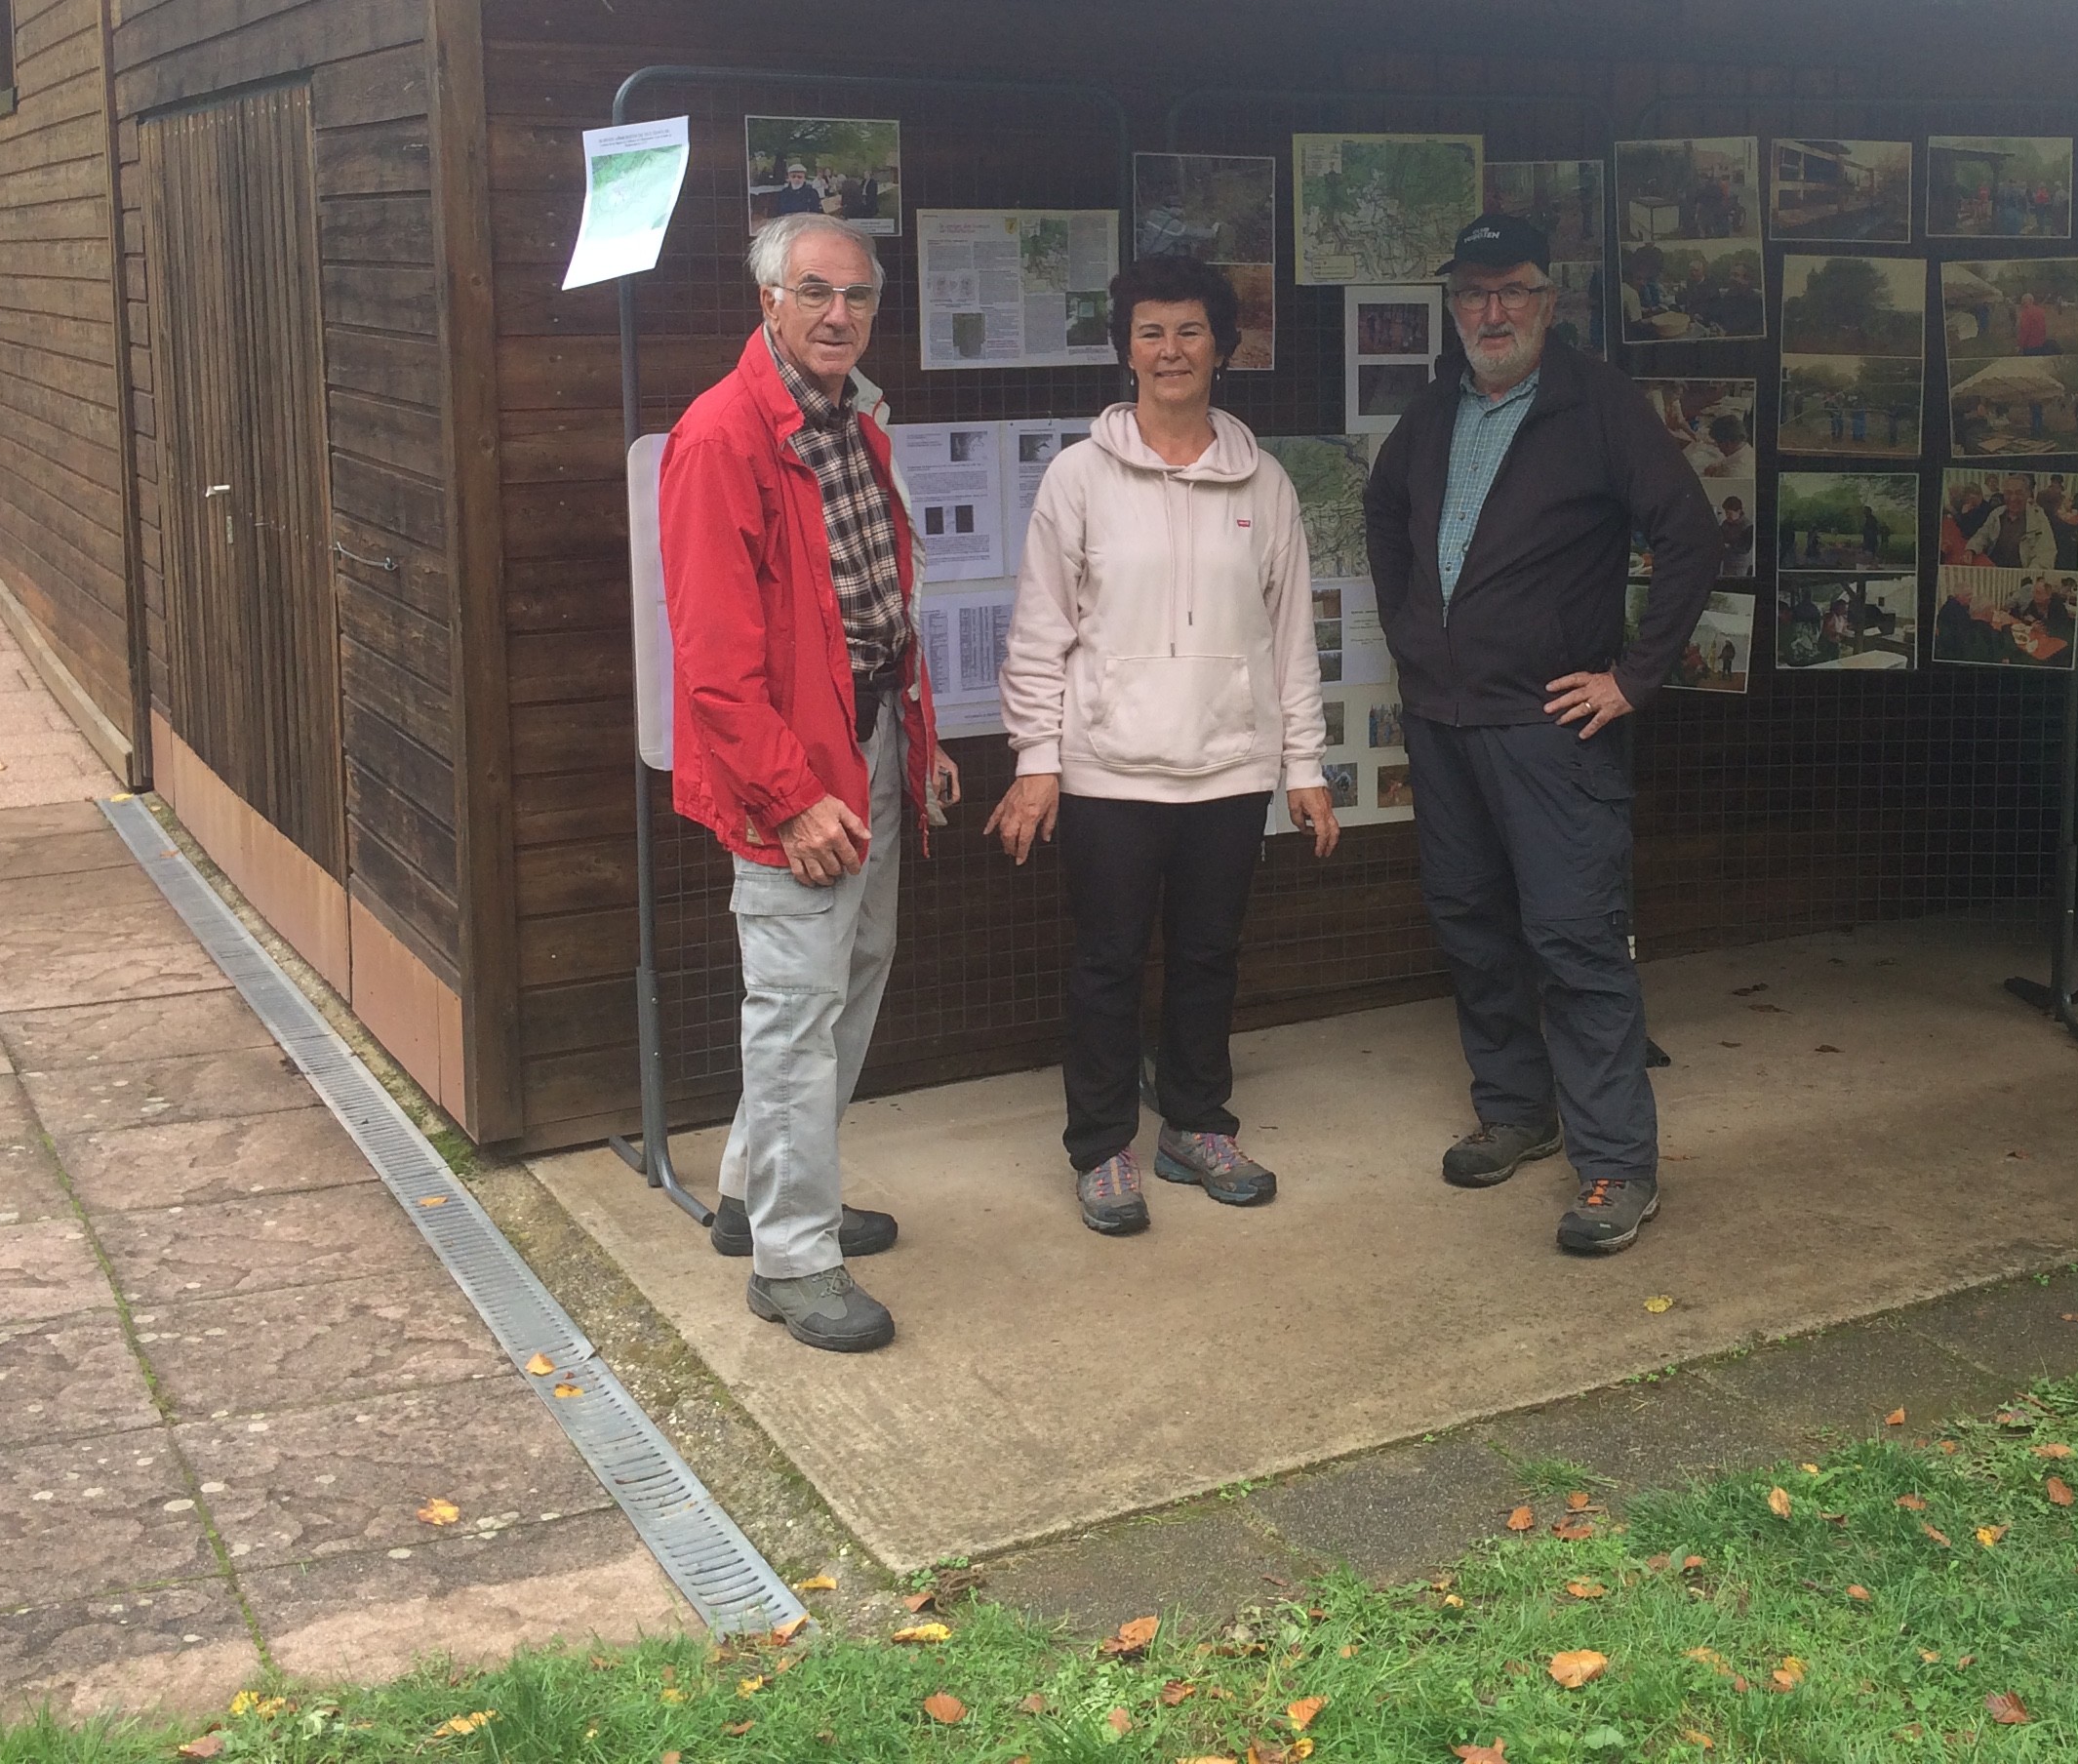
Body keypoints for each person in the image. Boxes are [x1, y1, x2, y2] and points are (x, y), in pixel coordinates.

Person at [1363, 214, 1717, 1258]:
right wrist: (1407, 627)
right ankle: (1517, 1110)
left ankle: (1616, 1166)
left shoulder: (1597, 405)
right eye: (1473, 293)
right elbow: (1385, 512)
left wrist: (1633, 678)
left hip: (1551, 731)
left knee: (1573, 940)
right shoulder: (1434, 412)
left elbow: (1690, 537)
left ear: (1548, 302)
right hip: (1445, 721)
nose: (1493, 311)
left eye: (1513, 290)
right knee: (1472, 923)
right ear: (1454, 306)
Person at [987, 258, 1339, 1235]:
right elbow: (1041, 628)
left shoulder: (1263, 483)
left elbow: (1289, 638)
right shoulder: (1079, 476)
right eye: (1151, 332)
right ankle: (1102, 1148)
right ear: (1125, 349)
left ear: (1223, 348)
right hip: (1109, 771)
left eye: (1190, 331)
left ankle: (1195, 1126)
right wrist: (1037, 760)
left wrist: (1303, 767)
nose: (1171, 349)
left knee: (1208, 957)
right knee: (1106, 963)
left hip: (1229, 767)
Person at [659, 213, 958, 1356]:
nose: (841, 315)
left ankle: (760, 1193)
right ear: (770, 301)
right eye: (816, 292)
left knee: (856, 967)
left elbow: (876, 608)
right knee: (793, 1008)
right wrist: (789, 798)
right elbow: (717, 671)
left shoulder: (852, 422)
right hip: (790, 776)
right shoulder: (721, 437)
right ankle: (791, 1259)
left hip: (871, 742)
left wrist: (914, 744)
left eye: (859, 297)